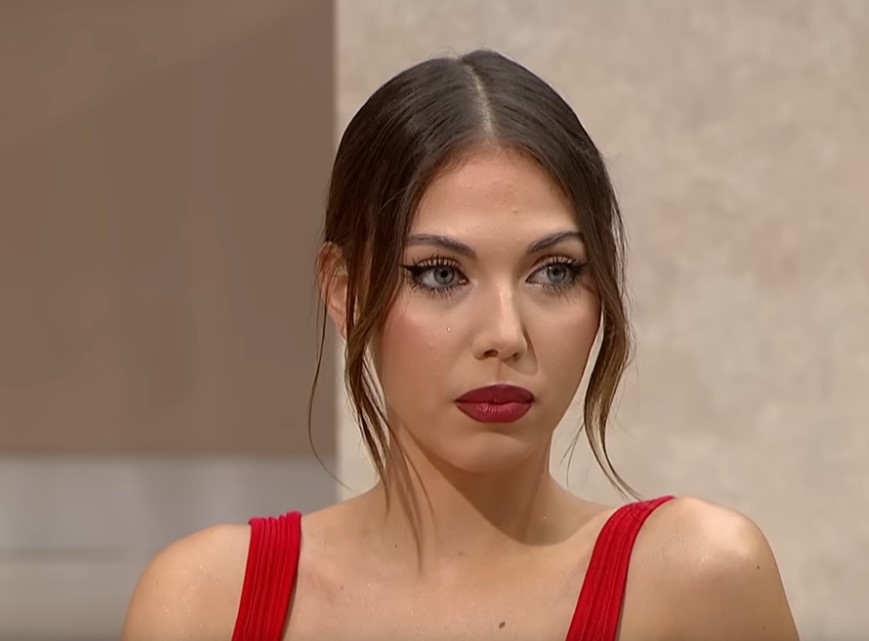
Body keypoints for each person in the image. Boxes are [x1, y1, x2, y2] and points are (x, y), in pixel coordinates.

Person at [120, 49, 800, 641]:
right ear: (344, 291)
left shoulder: (699, 580)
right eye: (440, 274)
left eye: (554, 272)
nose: (504, 334)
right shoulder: (207, 602)